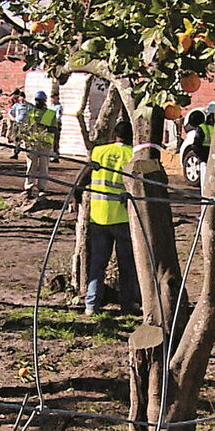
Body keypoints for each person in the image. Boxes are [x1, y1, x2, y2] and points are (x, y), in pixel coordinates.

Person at [79, 120, 141, 316]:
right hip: (122, 218)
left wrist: (76, 199)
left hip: (98, 217)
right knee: (126, 264)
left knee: (97, 263)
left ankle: (91, 304)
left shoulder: (99, 152)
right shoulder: (133, 155)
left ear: (114, 135)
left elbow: (83, 179)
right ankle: (128, 304)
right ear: (132, 136)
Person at [24, 90, 56, 197]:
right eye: (37, 100)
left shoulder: (50, 113)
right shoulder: (31, 112)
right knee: (31, 165)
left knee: (43, 166)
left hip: (45, 143)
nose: (38, 102)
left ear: (44, 101)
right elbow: (26, 127)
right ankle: (29, 186)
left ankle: (42, 187)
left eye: (40, 100)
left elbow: (54, 129)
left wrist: (43, 127)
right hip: (32, 142)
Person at [191, 109, 214, 189]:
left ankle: (204, 193)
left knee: (204, 174)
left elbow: (197, 142)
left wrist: (196, 151)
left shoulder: (202, 127)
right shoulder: (214, 128)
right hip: (210, 155)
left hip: (203, 154)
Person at [7, 90, 32, 159]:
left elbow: (35, 111)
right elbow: (10, 112)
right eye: (20, 97)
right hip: (18, 123)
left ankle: (29, 153)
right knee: (17, 139)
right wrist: (13, 118)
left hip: (25, 125)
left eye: (22, 97)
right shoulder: (17, 105)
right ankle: (16, 153)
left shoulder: (29, 106)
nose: (21, 98)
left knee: (27, 139)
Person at [49, 92, 63, 163]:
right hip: (50, 125)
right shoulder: (51, 106)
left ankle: (55, 156)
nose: (52, 100)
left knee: (55, 141)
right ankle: (51, 155)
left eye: (53, 98)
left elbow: (58, 117)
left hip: (56, 125)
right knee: (50, 141)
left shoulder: (59, 107)